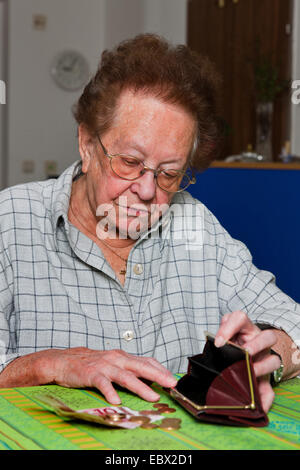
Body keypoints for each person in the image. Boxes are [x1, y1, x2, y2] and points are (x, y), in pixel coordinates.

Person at [0, 34, 299, 413]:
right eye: (129, 162)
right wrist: (52, 364)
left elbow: (293, 323)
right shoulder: (10, 223)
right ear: (87, 144)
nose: (146, 190)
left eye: (169, 174)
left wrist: (269, 355)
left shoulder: (194, 224)